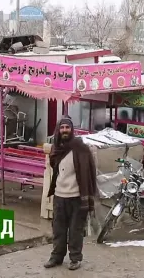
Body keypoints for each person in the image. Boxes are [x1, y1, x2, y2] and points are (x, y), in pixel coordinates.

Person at [44, 116, 97, 271]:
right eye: (62, 128)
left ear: (72, 130)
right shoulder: (56, 149)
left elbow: (90, 172)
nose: (65, 130)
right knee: (58, 230)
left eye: (67, 127)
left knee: (75, 230)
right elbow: (55, 168)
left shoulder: (81, 148)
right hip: (60, 196)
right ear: (58, 130)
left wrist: (89, 195)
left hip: (77, 197)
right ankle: (56, 257)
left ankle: (75, 258)